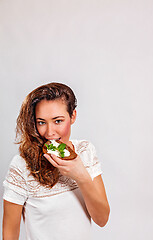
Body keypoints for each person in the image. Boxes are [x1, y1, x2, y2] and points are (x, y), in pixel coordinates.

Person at [2, 82, 110, 240]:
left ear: (72, 116)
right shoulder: (21, 165)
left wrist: (81, 176)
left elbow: (102, 219)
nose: (50, 132)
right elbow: (10, 234)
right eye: (41, 122)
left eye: (58, 121)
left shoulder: (85, 151)